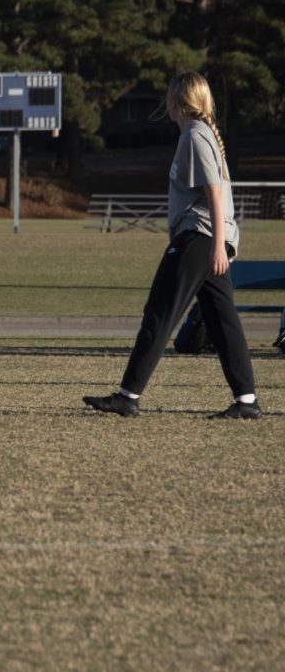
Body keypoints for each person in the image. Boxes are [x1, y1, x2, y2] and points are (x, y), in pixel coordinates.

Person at [83, 70, 260, 419]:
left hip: (198, 238)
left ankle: (127, 396)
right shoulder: (202, 133)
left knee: (159, 313)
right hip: (208, 238)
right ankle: (247, 402)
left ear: (177, 102)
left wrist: (216, 246)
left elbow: (212, 190)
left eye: (168, 96)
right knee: (223, 323)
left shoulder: (194, 135)